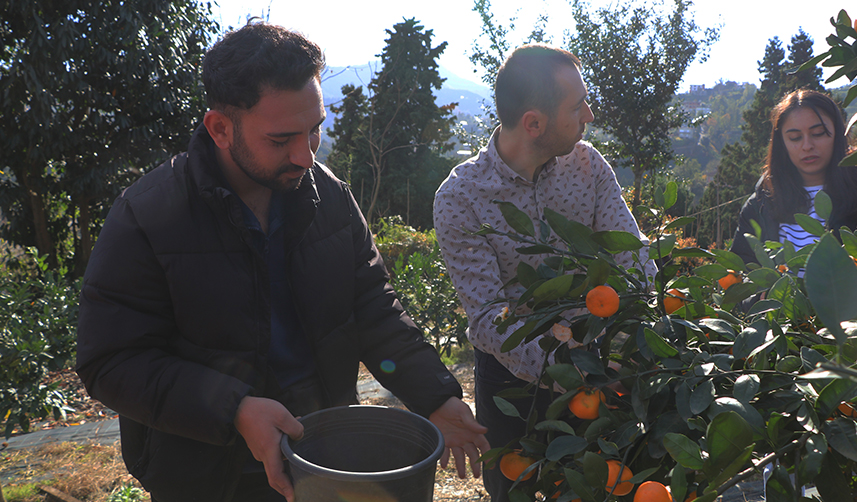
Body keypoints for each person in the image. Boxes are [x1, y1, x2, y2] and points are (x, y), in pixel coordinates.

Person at [75, 22, 488, 502]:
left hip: (325, 450)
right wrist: (235, 409)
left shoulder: (327, 196)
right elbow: (110, 361)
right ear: (220, 128)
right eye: (281, 140)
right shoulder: (147, 217)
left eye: (314, 131)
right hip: (208, 469)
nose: (305, 156)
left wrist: (433, 394)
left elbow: (372, 305)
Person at [433, 44, 657, 502]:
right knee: (517, 489)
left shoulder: (589, 167)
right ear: (534, 123)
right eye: (577, 107)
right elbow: (491, 316)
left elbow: (632, 260)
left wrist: (627, 344)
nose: (589, 115)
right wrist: (573, 372)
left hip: (605, 359)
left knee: (610, 486)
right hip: (515, 381)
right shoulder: (462, 198)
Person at [730, 89, 857, 266]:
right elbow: (741, 274)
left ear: (838, 133)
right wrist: (760, 294)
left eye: (818, 133)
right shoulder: (760, 205)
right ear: (782, 144)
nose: (807, 146)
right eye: (795, 138)